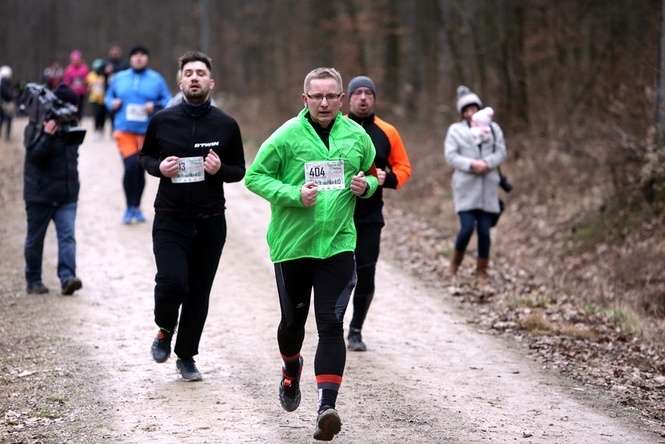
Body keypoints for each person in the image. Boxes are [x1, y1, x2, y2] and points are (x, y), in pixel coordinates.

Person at [245, 67, 378, 441]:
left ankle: (326, 409)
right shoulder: (287, 136)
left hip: (338, 244)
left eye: (330, 96)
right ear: (305, 99)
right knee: (293, 324)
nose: (324, 102)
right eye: (316, 96)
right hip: (293, 246)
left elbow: (373, 173)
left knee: (331, 325)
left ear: (341, 99)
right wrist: (293, 194)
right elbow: (254, 177)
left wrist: (366, 185)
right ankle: (291, 368)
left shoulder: (357, 136)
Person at [139, 51, 245, 382]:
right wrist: (160, 167)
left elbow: (239, 170)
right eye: (189, 73)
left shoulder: (226, 125)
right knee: (172, 282)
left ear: (211, 82)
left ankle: (186, 356)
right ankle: (164, 327)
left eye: (200, 73)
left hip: (210, 221)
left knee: (198, 292)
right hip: (171, 217)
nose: (194, 77)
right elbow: (145, 157)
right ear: (180, 81)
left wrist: (220, 169)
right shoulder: (162, 121)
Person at [345, 75, 412, 352]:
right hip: (337, 214)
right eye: (357, 93)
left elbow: (404, 167)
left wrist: (389, 178)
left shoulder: (388, 131)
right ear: (348, 98)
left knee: (365, 272)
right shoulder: (337, 127)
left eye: (368, 93)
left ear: (374, 98)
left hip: (370, 216)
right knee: (337, 274)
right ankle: (332, 324)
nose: (363, 98)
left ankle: (356, 330)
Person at [23, 84, 83, 296]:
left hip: (66, 195)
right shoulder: (35, 126)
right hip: (39, 195)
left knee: (67, 238)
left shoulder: (72, 126)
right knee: (35, 240)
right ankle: (33, 281)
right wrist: (47, 135)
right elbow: (34, 158)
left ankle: (67, 279)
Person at [444, 85, 506, 284]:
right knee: (467, 228)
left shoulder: (494, 129)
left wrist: (487, 163)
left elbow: (501, 152)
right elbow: (451, 155)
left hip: (488, 188)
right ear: (462, 112)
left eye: (474, 108)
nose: (471, 112)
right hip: (465, 189)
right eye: (467, 109)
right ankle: (454, 265)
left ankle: (481, 271)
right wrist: (472, 164)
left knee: (485, 232)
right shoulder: (455, 131)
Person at [105, 45, 171, 224]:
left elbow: (168, 100)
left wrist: (154, 106)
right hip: (124, 130)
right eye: (135, 55)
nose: (139, 58)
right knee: (131, 166)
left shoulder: (156, 79)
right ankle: (129, 207)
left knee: (140, 169)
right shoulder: (119, 78)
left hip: (147, 132)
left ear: (147, 59)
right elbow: (108, 97)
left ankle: (136, 207)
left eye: (142, 55)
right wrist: (112, 103)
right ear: (130, 59)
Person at [62, 50, 89, 119]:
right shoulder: (69, 69)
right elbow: (66, 81)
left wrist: (86, 86)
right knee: (72, 108)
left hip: (81, 93)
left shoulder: (84, 68)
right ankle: (72, 119)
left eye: (77, 60)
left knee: (80, 108)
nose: (76, 61)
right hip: (72, 93)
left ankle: (79, 119)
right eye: (74, 60)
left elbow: (87, 80)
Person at [86, 59, 107, 138]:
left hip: (103, 99)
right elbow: (87, 86)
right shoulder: (91, 75)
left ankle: (101, 129)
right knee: (96, 115)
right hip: (94, 98)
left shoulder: (104, 76)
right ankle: (96, 130)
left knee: (103, 115)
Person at [0, 65, 16, 141]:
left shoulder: (1, 81)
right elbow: (7, 92)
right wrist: (13, 95)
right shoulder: (5, 81)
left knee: (1, 118)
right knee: (9, 119)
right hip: (6, 103)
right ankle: (7, 136)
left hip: (2, 102)